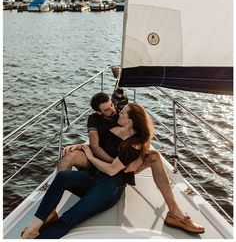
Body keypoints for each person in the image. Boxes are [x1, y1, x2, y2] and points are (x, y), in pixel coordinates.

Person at [58, 92, 205, 234]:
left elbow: (141, 139)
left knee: (155, 155)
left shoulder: (123, 116)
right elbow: (95, 146)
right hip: (104, 159)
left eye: (112, 105)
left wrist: (124, 164)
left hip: (124, 161)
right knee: (68, 155)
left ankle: (175, 213)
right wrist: (113, 163)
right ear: (98, 112)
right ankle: (52, 211)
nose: (113, 110)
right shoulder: (94, 119)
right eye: (106, 109)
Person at [21, 102, 155, 239]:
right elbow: (98, 145)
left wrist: (90, 157)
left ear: (130, 121)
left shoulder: (135, 145)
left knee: (69, 217)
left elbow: (111, 170)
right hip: (94, 175)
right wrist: (81, 146)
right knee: (62, 177)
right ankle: (33, 229)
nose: (118, 112)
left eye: (122, 112)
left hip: (109, 188)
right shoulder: (116, 128)